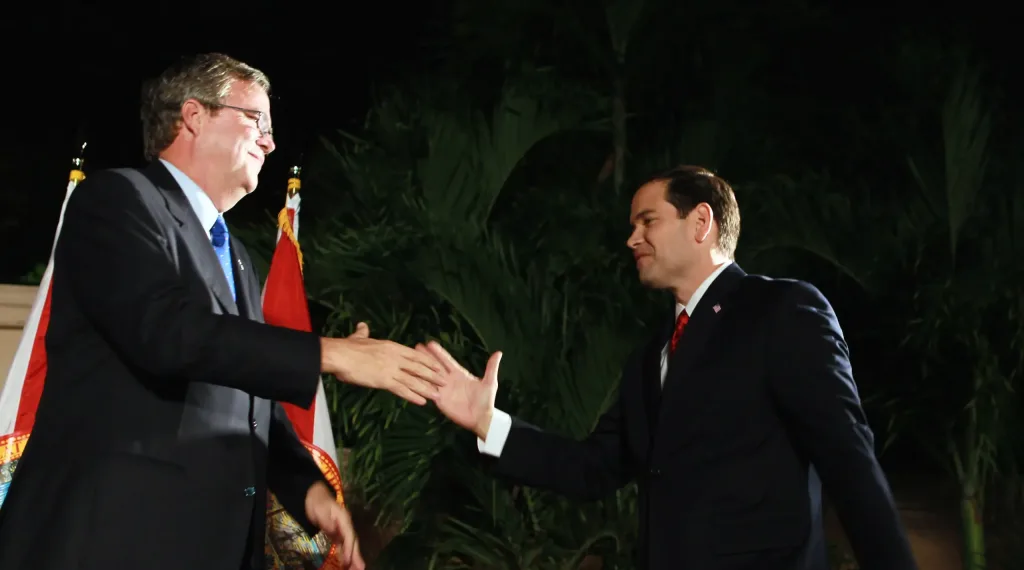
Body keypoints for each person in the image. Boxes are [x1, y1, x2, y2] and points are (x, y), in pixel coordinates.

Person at [0, 53, 445, 570]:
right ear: (193, 115)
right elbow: (165, 333)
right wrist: (330, 354)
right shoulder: (117, 201)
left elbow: (246, 394)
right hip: (115, 537)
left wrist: (308, 493)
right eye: (257, 119)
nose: (270, 141)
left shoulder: (236, 256)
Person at [424, 165, 918, 570]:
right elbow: (591, 468)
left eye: (647, 221)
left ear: (701, 223)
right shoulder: (649, 357)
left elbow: (847, 455)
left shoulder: (780, 310)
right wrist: (487, 423)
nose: (631, 239)